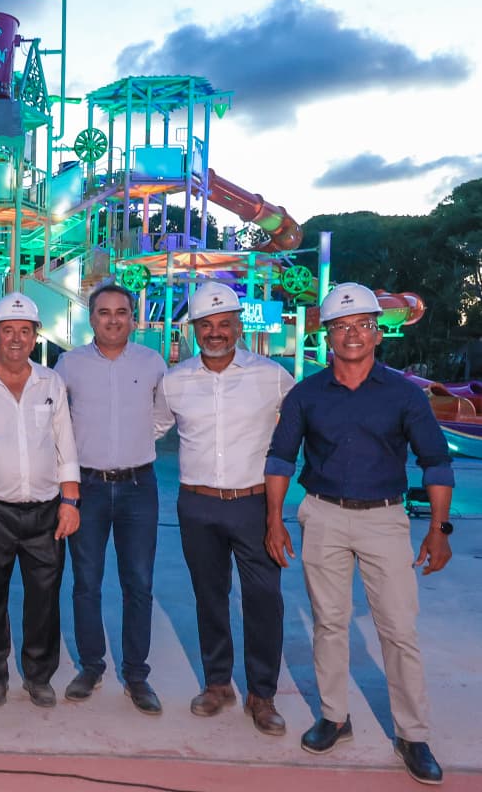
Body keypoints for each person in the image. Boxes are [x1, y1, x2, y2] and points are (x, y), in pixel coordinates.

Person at [264, 283, 454, 785]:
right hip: (323, 516)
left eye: (363, 325)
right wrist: (274, 519)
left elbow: (436, 461)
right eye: (341, 326)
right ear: (327, 335)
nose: (352, 334)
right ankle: (334, 717)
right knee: (329, 623)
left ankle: (413, 735)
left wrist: (439, 530)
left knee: (398, 629)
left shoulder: (404, 395)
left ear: (378, 333)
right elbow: (281, 458)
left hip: (385, 520)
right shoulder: (306, 394)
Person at [153, 281, 293, 736]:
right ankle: (217, 684)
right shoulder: (174, 382)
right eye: (206, 325)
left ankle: (262, 694)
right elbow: (149, 431)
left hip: (253, 504)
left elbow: (303, 425)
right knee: (209, 597)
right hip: (196, 505)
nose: (215, 333)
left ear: (239, 326)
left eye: (224, 324)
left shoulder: (272, 376)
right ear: (193, 329)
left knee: (263, 600)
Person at [0, 292, 81, 708]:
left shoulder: (51, 383)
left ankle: (39, 675)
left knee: (45, 596)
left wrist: (70, 501)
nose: (17, 339)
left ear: (36, 336)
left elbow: (65, 443)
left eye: (25, 331)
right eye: (8, 331)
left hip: (45, 509)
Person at [54, 283, 167, 714]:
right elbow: (57, 420)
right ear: (91, 318)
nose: (113, 319)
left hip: (140, 488)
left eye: (122, 312)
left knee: (139, 583)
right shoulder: (70, 365)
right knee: (86, 582)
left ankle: (137, 675)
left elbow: (162, 417)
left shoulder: (152, 363)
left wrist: (134, 441)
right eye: (104, 312)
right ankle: (91, 666)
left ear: (133, 319)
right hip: (88, 488)